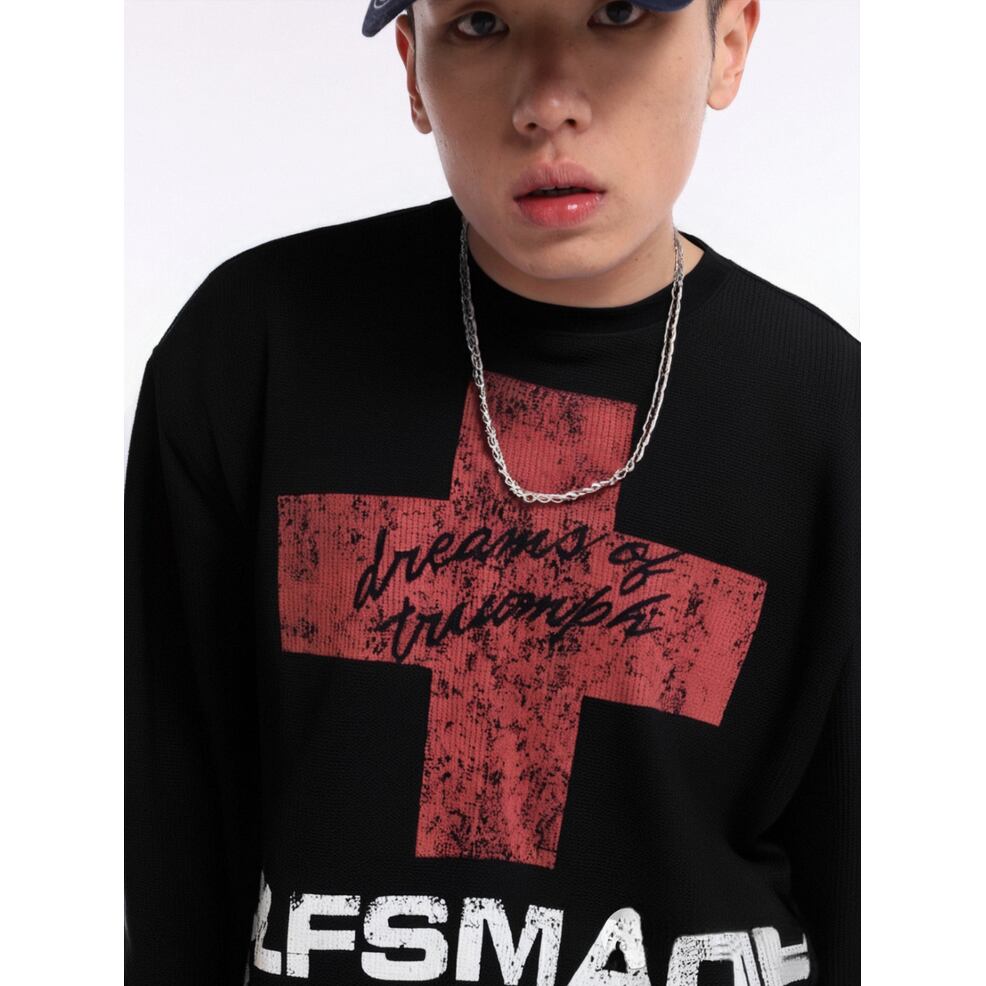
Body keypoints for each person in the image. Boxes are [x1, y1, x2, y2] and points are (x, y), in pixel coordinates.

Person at [124, 1, 859, 984]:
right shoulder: (252, 356)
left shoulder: (832, 413)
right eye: (479, 22)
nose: (547, 101)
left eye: (617, 12)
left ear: (726, 47)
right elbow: (171, 858)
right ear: (411, 69)